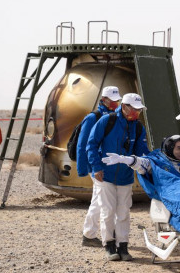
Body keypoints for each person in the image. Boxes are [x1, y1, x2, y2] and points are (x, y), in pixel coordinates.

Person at [86, 93, 150, 261]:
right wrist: (96, 167)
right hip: (105, 176)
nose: (137, 113)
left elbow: (142, 151)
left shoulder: (138, 127)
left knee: (123, 213)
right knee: (107, 212)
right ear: (124, 107)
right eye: (135, 109)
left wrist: (152, 162)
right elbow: (91, 144)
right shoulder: (107, 121)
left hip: (125, 177)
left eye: (139, 110)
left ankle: (123, 246)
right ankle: (109, 245)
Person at [77, 86, 122, 247]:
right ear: (104, 100)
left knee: (100, 199)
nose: (116, 103)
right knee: (102, 200)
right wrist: (83, 168)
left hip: (108, 165)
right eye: (113, 100)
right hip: (96, 166)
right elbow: (83, 145)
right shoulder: (93, 118)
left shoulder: (114, 116)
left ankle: (91, 234)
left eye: (117, 100)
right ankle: (94, 235)